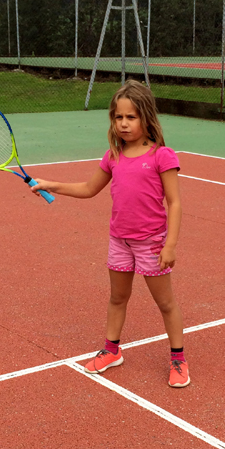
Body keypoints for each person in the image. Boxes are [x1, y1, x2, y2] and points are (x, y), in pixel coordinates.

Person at [31, 80, 189, 388]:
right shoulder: (113, 156)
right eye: (118, 117)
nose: (124, 123)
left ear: (147, 117)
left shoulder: (162, 156)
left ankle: (178, 359)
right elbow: (89, 189)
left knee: (166, 303)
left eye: (131, 117)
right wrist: (51, 185)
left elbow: (175, 202)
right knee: (118, 297)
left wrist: (170, 245)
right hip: (119, 240)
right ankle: (112, 350)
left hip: (151, 243)